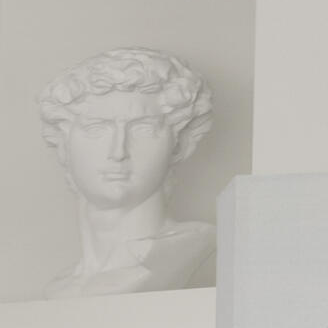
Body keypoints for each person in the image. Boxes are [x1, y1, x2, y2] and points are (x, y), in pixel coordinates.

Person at [36, 46, 216, 297]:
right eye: (97, 128)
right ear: (64, 146)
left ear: (178, 144)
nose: (118, 151)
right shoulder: (60, 288)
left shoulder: (186, 247)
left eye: (142, 129)